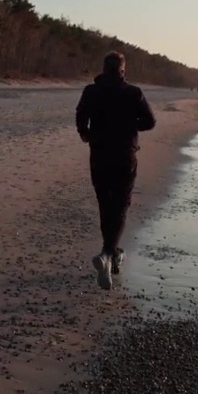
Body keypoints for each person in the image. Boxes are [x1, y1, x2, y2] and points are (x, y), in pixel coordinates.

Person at [75, 51, 156, 290]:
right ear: (122, 71)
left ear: (103, 68)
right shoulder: (133, 93)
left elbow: (80, 117)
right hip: (124, 156)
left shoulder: (91, 91)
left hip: (99, 154)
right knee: (120, 205)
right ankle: (108, 254)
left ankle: (109, 255)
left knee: (105, 203)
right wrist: (132, 126)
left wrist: (86, 134)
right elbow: (150, 122)